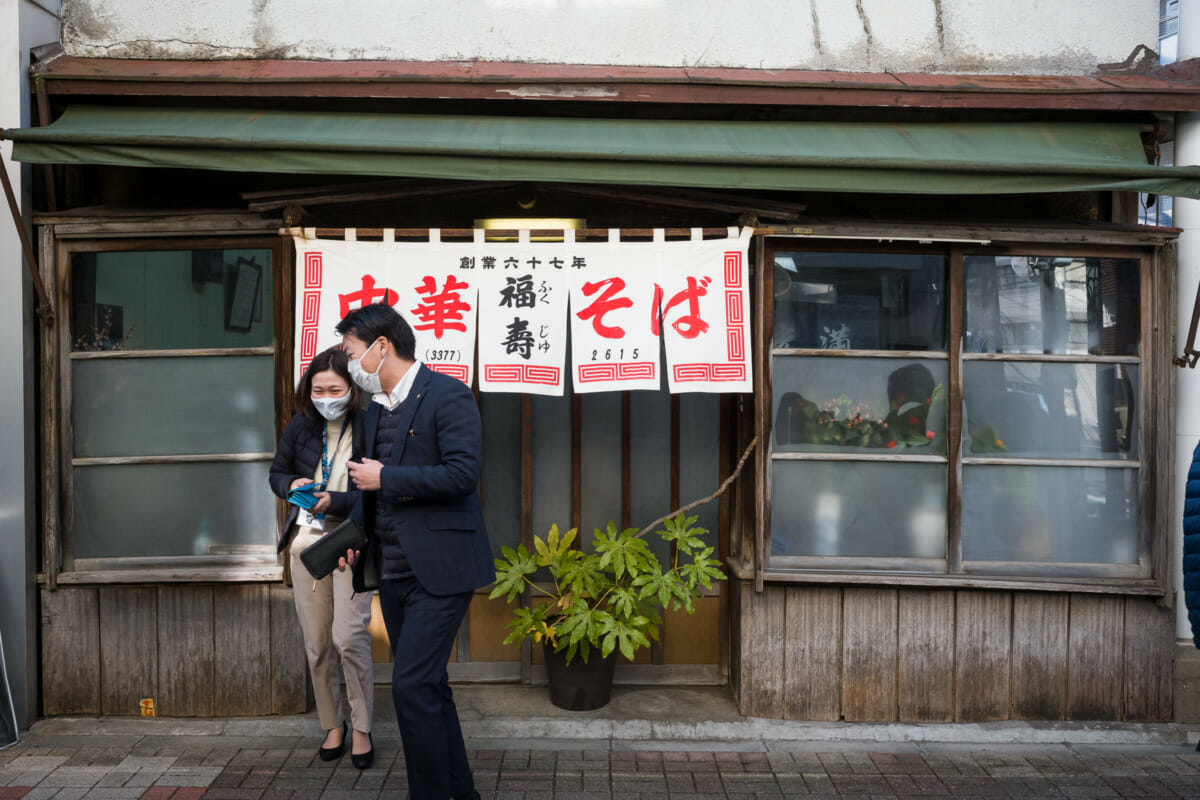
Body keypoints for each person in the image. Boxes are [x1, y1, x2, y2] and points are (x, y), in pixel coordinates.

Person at [336, 302, 494, 800]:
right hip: (395, 570)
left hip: (442, 570)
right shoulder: (374, 410)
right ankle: (458, 792)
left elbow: (463, 473)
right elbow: (367, 490)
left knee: (409, 688)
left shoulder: (448, 395)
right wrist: (353, 542)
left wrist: (388, 477)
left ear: (382, 347)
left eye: (352, 352)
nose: (348, 365)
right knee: (428, 686)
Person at [268, 346, 375, 769]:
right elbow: (276, 473)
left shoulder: (369, 425)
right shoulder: (300, 426)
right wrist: (290, 483)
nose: (325, 395)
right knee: (316, 644)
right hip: (306, 542)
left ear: (352, 389)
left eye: (334, 388)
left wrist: (337, 501)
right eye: (318, 388)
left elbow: (377, 490)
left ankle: (363, 726)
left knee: (349, 638)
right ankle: (333, 724)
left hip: (351, 542)